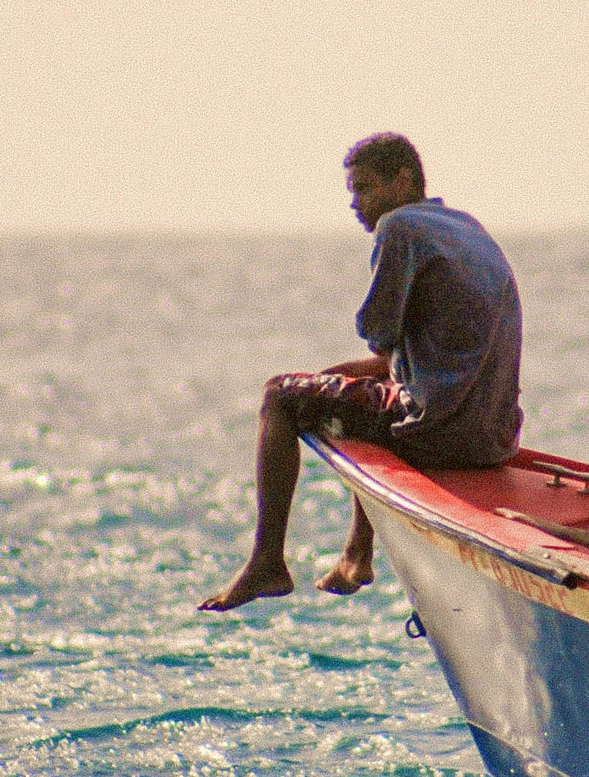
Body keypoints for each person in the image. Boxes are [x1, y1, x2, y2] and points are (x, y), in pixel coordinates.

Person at [199, 133, 523, 612]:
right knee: (356, 395)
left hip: (440, 433)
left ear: (403, 180)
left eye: (365, 189)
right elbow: (411, 357)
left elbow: (375, 330)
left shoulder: (401, 227)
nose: (356, 204)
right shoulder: (461, 225)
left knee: (280, 397)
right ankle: (357, 552)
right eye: (352, 192)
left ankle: (267, 561)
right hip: (494, 438)